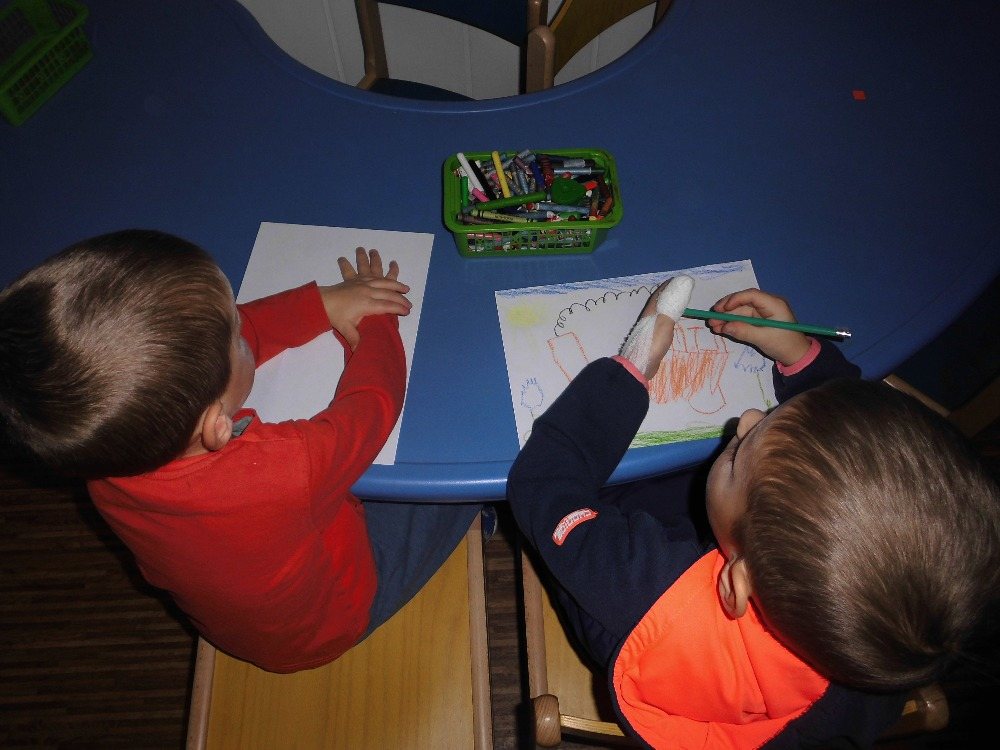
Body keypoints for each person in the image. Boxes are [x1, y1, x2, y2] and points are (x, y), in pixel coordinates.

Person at [507, 276, 1000, 748]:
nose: (745, 419)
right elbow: (863, 461)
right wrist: (801, 356)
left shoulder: (641, 584)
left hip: (622, 581)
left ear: (735, 583)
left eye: (739, 453)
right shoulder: (891, 638)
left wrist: (634, 364)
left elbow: (544, 483)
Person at [0, 229, 479, 673]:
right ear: (215, 424)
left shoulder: (105, 462)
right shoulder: (283, 468)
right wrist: (375, 324)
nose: (243, 324)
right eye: (234, 332)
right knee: (460, 477)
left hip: (238, 627)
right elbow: (372, 405)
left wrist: (321, 304)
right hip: (333, 622)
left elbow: (220, 345)